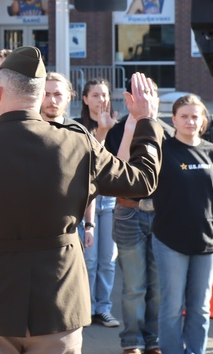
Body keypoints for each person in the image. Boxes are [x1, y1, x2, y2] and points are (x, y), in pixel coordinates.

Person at [0, 49, 165, 354]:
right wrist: (146, 121)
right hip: (59, 301)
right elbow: (142, 181)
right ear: (40, 96)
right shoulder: (77, 143)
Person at [152, 94, 213, 354]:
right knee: (172, 307)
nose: (190, 121)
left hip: (207, 242)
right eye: (184, 116)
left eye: (195, 116)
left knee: (201, 308)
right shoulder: (164, 151)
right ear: (173, 119)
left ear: (203, 120)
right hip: (170, 241)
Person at [107, 77, 171, 354]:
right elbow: (115, 172)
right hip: (128, 213)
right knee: (134, 285)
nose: (146, 100)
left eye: (151, 95)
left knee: (156, 286)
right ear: (128, 99)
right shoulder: (120, 129)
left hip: (161, 216)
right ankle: (132, 341)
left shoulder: (169, 130)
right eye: (139, 95)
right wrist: (133, 125)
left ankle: (153, 339)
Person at [78, 79, 121, 328]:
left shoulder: (116, 127)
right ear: (85, 99)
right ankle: (86, 307)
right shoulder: (79, 128)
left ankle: (103, 308)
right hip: (86, 201)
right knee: (89, 260)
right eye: (95, 95)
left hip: (110, 202)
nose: (101, 100)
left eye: (104, 95)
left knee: (108, 260)